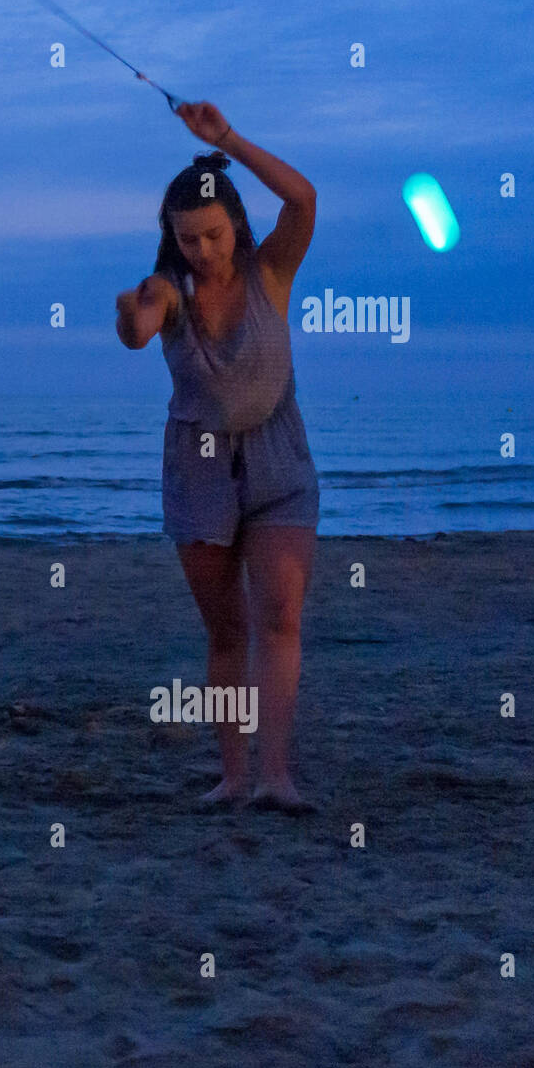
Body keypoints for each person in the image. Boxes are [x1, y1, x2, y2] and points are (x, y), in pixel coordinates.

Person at [116, 102, 319, 813]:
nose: (204, 249)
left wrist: (226, 138)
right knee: (228, 628)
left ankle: (276, 776)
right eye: (188, 240)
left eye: (212, 234)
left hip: (278, 459)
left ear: (234, 220)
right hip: (199, 466)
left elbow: (302, 197)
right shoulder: (170, 288)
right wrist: (129, 316)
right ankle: (233, 776)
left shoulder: (271, 272)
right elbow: (141, 327)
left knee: (281, 616)